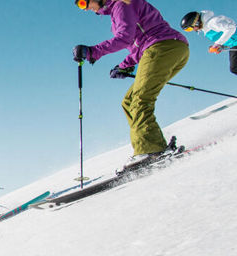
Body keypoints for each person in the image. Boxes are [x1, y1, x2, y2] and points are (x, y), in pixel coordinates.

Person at [72, 0, 189, 166]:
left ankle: (152, 151)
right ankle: (152, 147)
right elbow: (137, 46)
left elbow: (124, 38)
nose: (85, 9)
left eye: (84, 3)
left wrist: (92, 51)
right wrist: (124, 66)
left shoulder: (121, 4)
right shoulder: (118, 9)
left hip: (161, 48)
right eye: (80, 6)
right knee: (128, 101)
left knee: (139, 100)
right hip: (168, 48)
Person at [181, 11, 237, 76]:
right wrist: (222, 47)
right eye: (188, 30)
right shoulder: (206, 29)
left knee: (235, 68)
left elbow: (231, 28)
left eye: (190, 28)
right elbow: (230, 39)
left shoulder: (212, 22)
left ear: (196, 22)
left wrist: (217, 44)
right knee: (234, 68)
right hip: (234, 44)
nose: (193, 30)